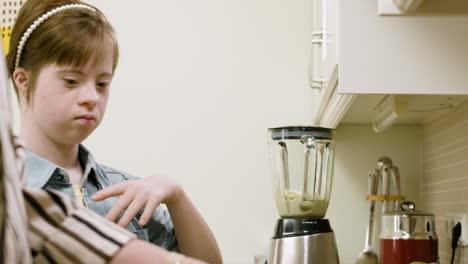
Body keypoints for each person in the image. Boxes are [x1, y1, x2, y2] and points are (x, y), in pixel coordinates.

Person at [5, 0, 222, 263]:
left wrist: (176, 196)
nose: (91, 97)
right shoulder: (10, 193)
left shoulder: (130, 192)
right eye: (71, 81)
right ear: (23, 80)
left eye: (102, 84)